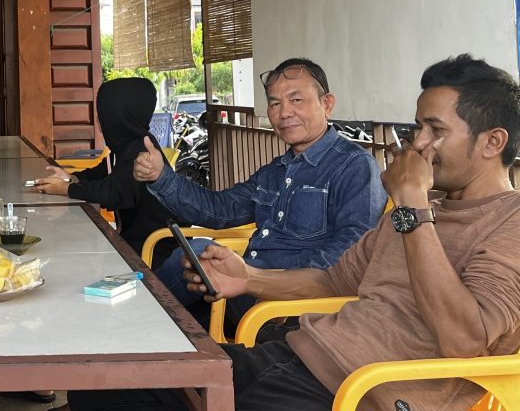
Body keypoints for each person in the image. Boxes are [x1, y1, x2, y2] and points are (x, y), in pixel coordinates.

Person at [71, 54, 520, 411]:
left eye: (435, 130)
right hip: (299, 352)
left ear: (492, 142)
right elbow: (333, 281)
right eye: (418, 127)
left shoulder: (504, 221)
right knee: (101, 385)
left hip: (356, 391)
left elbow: (464, 341)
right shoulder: (408, 209)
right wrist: (248, 279)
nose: (418, 143)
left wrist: (412, 204)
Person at [136, 57, 386, 329]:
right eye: (275, 103)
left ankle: (133, 317)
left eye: (296, 100)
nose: (284, 112)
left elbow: (350, 256)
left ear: (327, 104)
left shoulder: (355, 166)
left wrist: (268, 281)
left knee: (196, 260)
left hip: (294, 309)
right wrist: (161, 176)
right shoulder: (276, 171)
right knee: (190, 276)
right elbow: (219, 209)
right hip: (247, 292)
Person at [33, 77, 176, 264]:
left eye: (103, 114)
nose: (99, 120)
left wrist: (66, 189)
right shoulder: (127, 145)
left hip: (155, 250)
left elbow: (111, 192)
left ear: (118, 117)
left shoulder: (142, 152)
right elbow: (102, 171)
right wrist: (71, 177)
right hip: (132, 240)